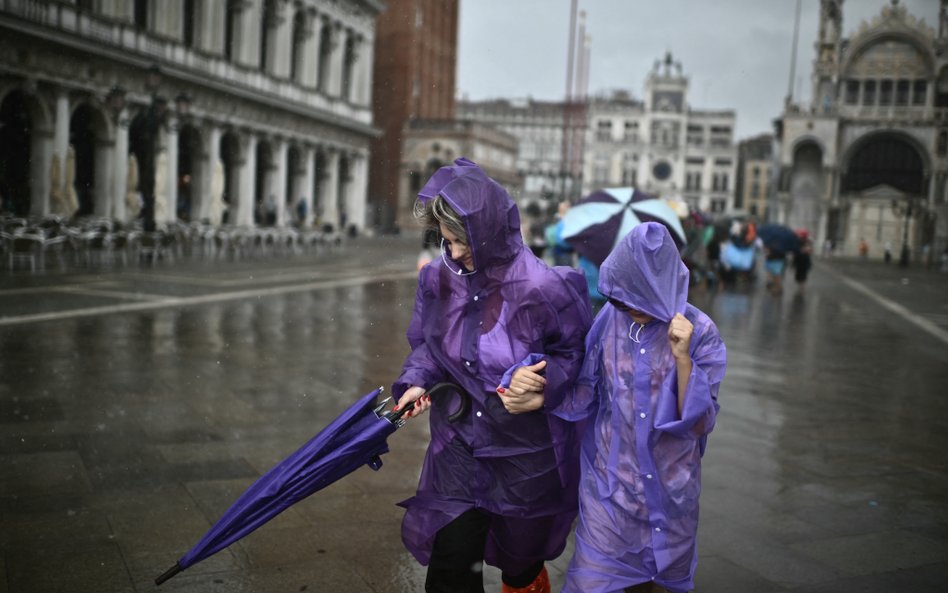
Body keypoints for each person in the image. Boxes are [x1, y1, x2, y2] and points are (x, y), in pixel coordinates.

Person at [393, 157, 592, 593]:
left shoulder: (545, 287)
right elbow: (428, 344)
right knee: (450, 570)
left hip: (523, 457)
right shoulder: (437, 280)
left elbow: (573, 353)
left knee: (519, 566)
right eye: (446, 241)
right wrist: (415, 382)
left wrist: (543, 386)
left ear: (489, 233)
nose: (456, 253)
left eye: (464, 242)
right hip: (459, 448)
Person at [557, 222, 727, 593]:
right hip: (609, 488)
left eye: (638, 297)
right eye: (620, 298)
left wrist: (683, 361)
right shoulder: (609, 320)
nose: (628, 307)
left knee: (651, 586)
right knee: (590, 582)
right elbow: (584, 386)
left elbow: (699, 423)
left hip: (670, 494)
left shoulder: (701, 332)